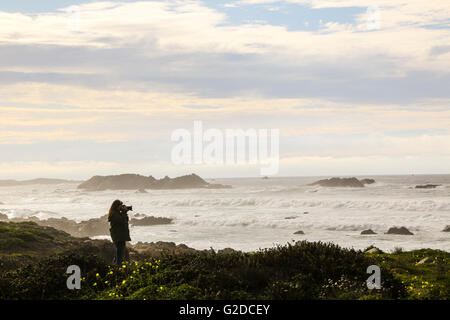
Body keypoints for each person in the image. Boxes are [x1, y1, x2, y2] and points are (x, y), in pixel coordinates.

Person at [107, 199, 132, 265]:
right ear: (116, 206)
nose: (121, 207)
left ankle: (115, 267)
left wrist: (125, 212)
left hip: (120, 236)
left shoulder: (117, 213)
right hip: (118, 236)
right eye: (120, 206)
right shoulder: (114, 214)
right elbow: (121, 221)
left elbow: (125, 220)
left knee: (119, 253)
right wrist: (124, 212)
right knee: (119, 254)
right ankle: (118, 267)